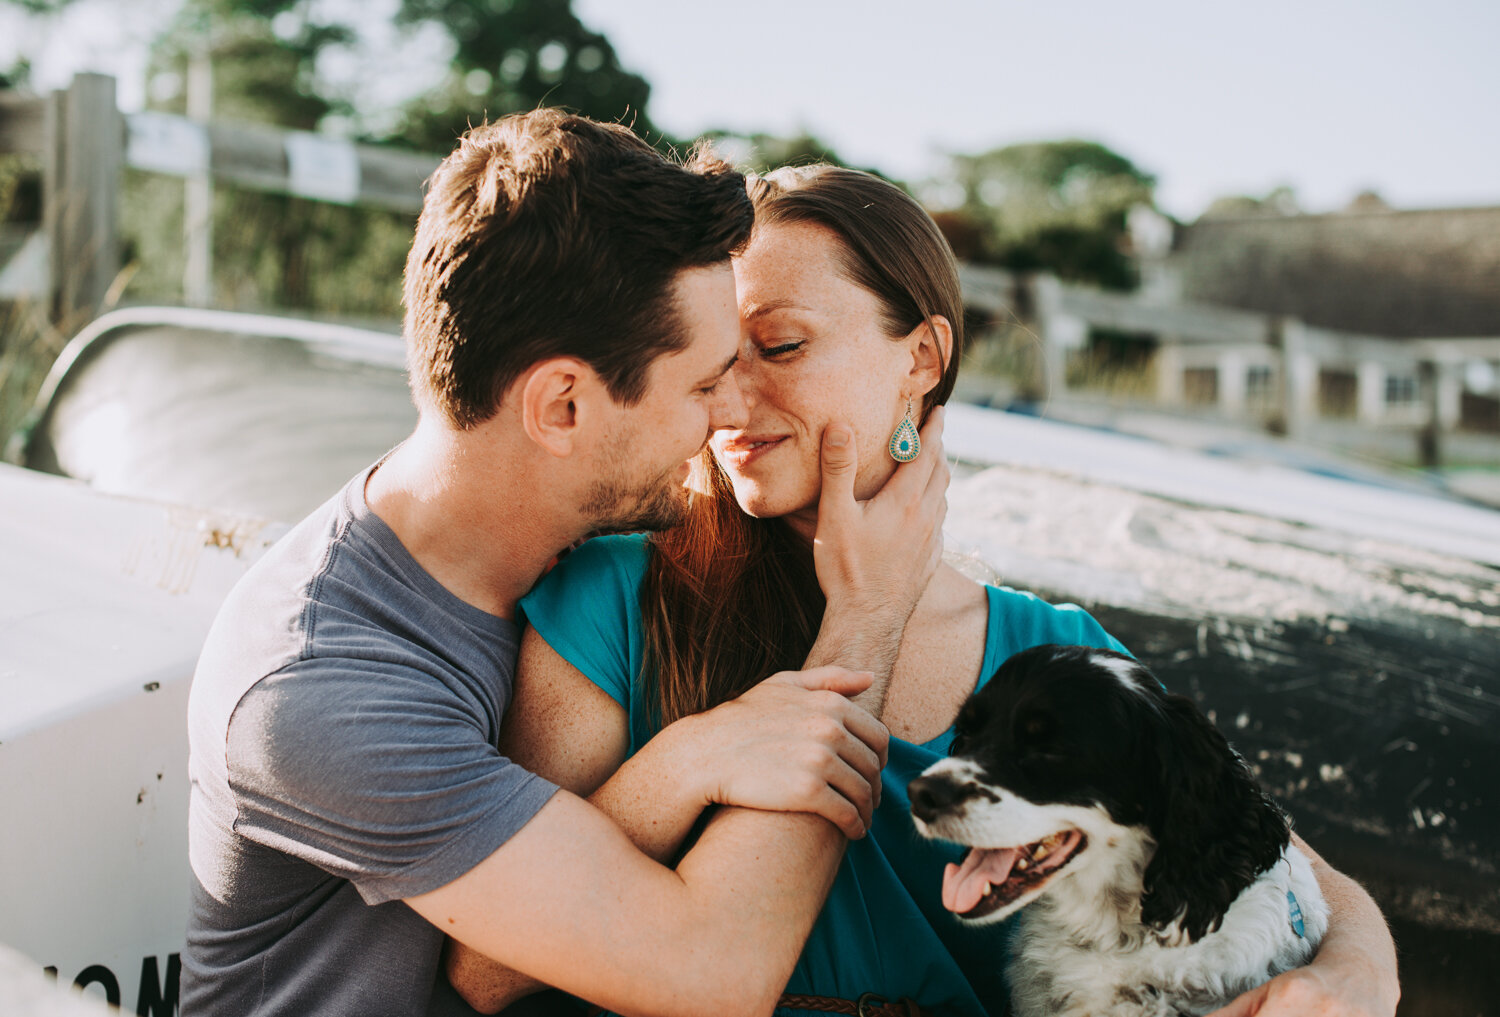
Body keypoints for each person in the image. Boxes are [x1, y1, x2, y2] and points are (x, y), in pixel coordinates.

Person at [448, 164, 1402, 1016]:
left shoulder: (1052, 650)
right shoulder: (615, 598)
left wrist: (1359, 972)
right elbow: (484, 970)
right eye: (716, 362)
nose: (732, 405)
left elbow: (1280, 858)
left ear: (923, 358)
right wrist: (686, 761)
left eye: (779, 348)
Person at [181, 111, 952, 1017]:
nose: (726, 416)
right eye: (702, 385)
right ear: (563, 407)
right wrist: (866, 615)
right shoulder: (324, 690)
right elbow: (711, 968)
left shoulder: (547, 550)